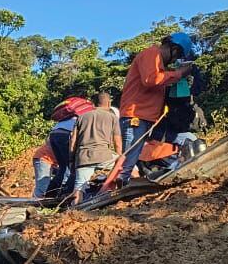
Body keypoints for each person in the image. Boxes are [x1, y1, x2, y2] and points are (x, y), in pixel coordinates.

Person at [118, 33, 196, 182]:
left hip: (145, 118)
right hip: (136, 116)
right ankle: (110, 193)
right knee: (127, 163)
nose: (174, 60)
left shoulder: (159, 65)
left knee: (131, 160)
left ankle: (119, 188)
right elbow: (151, 80)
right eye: (177, 55)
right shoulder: (151, 54)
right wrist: (179, 73)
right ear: (173, 48)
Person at [69, 98, 122, 205]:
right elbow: (117, 142)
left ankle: (73, 211)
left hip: (83, 157)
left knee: (79, 188)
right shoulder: (112, 117)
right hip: (104, 156)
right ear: (109, 103)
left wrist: (72, 159)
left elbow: (73, 141)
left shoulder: (81, 117)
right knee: (131, 169)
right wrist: (120, 158)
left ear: (94, 104)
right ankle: (123, 193)